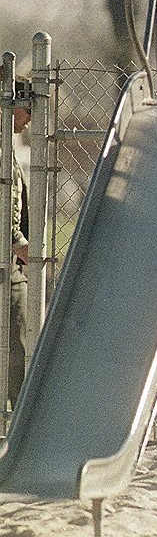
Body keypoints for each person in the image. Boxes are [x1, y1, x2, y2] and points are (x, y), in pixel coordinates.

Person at [2, 72, 30, 413]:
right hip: (6, 271)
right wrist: (20, 245)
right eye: (26, 109)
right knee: (16, 357)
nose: (30, 119)